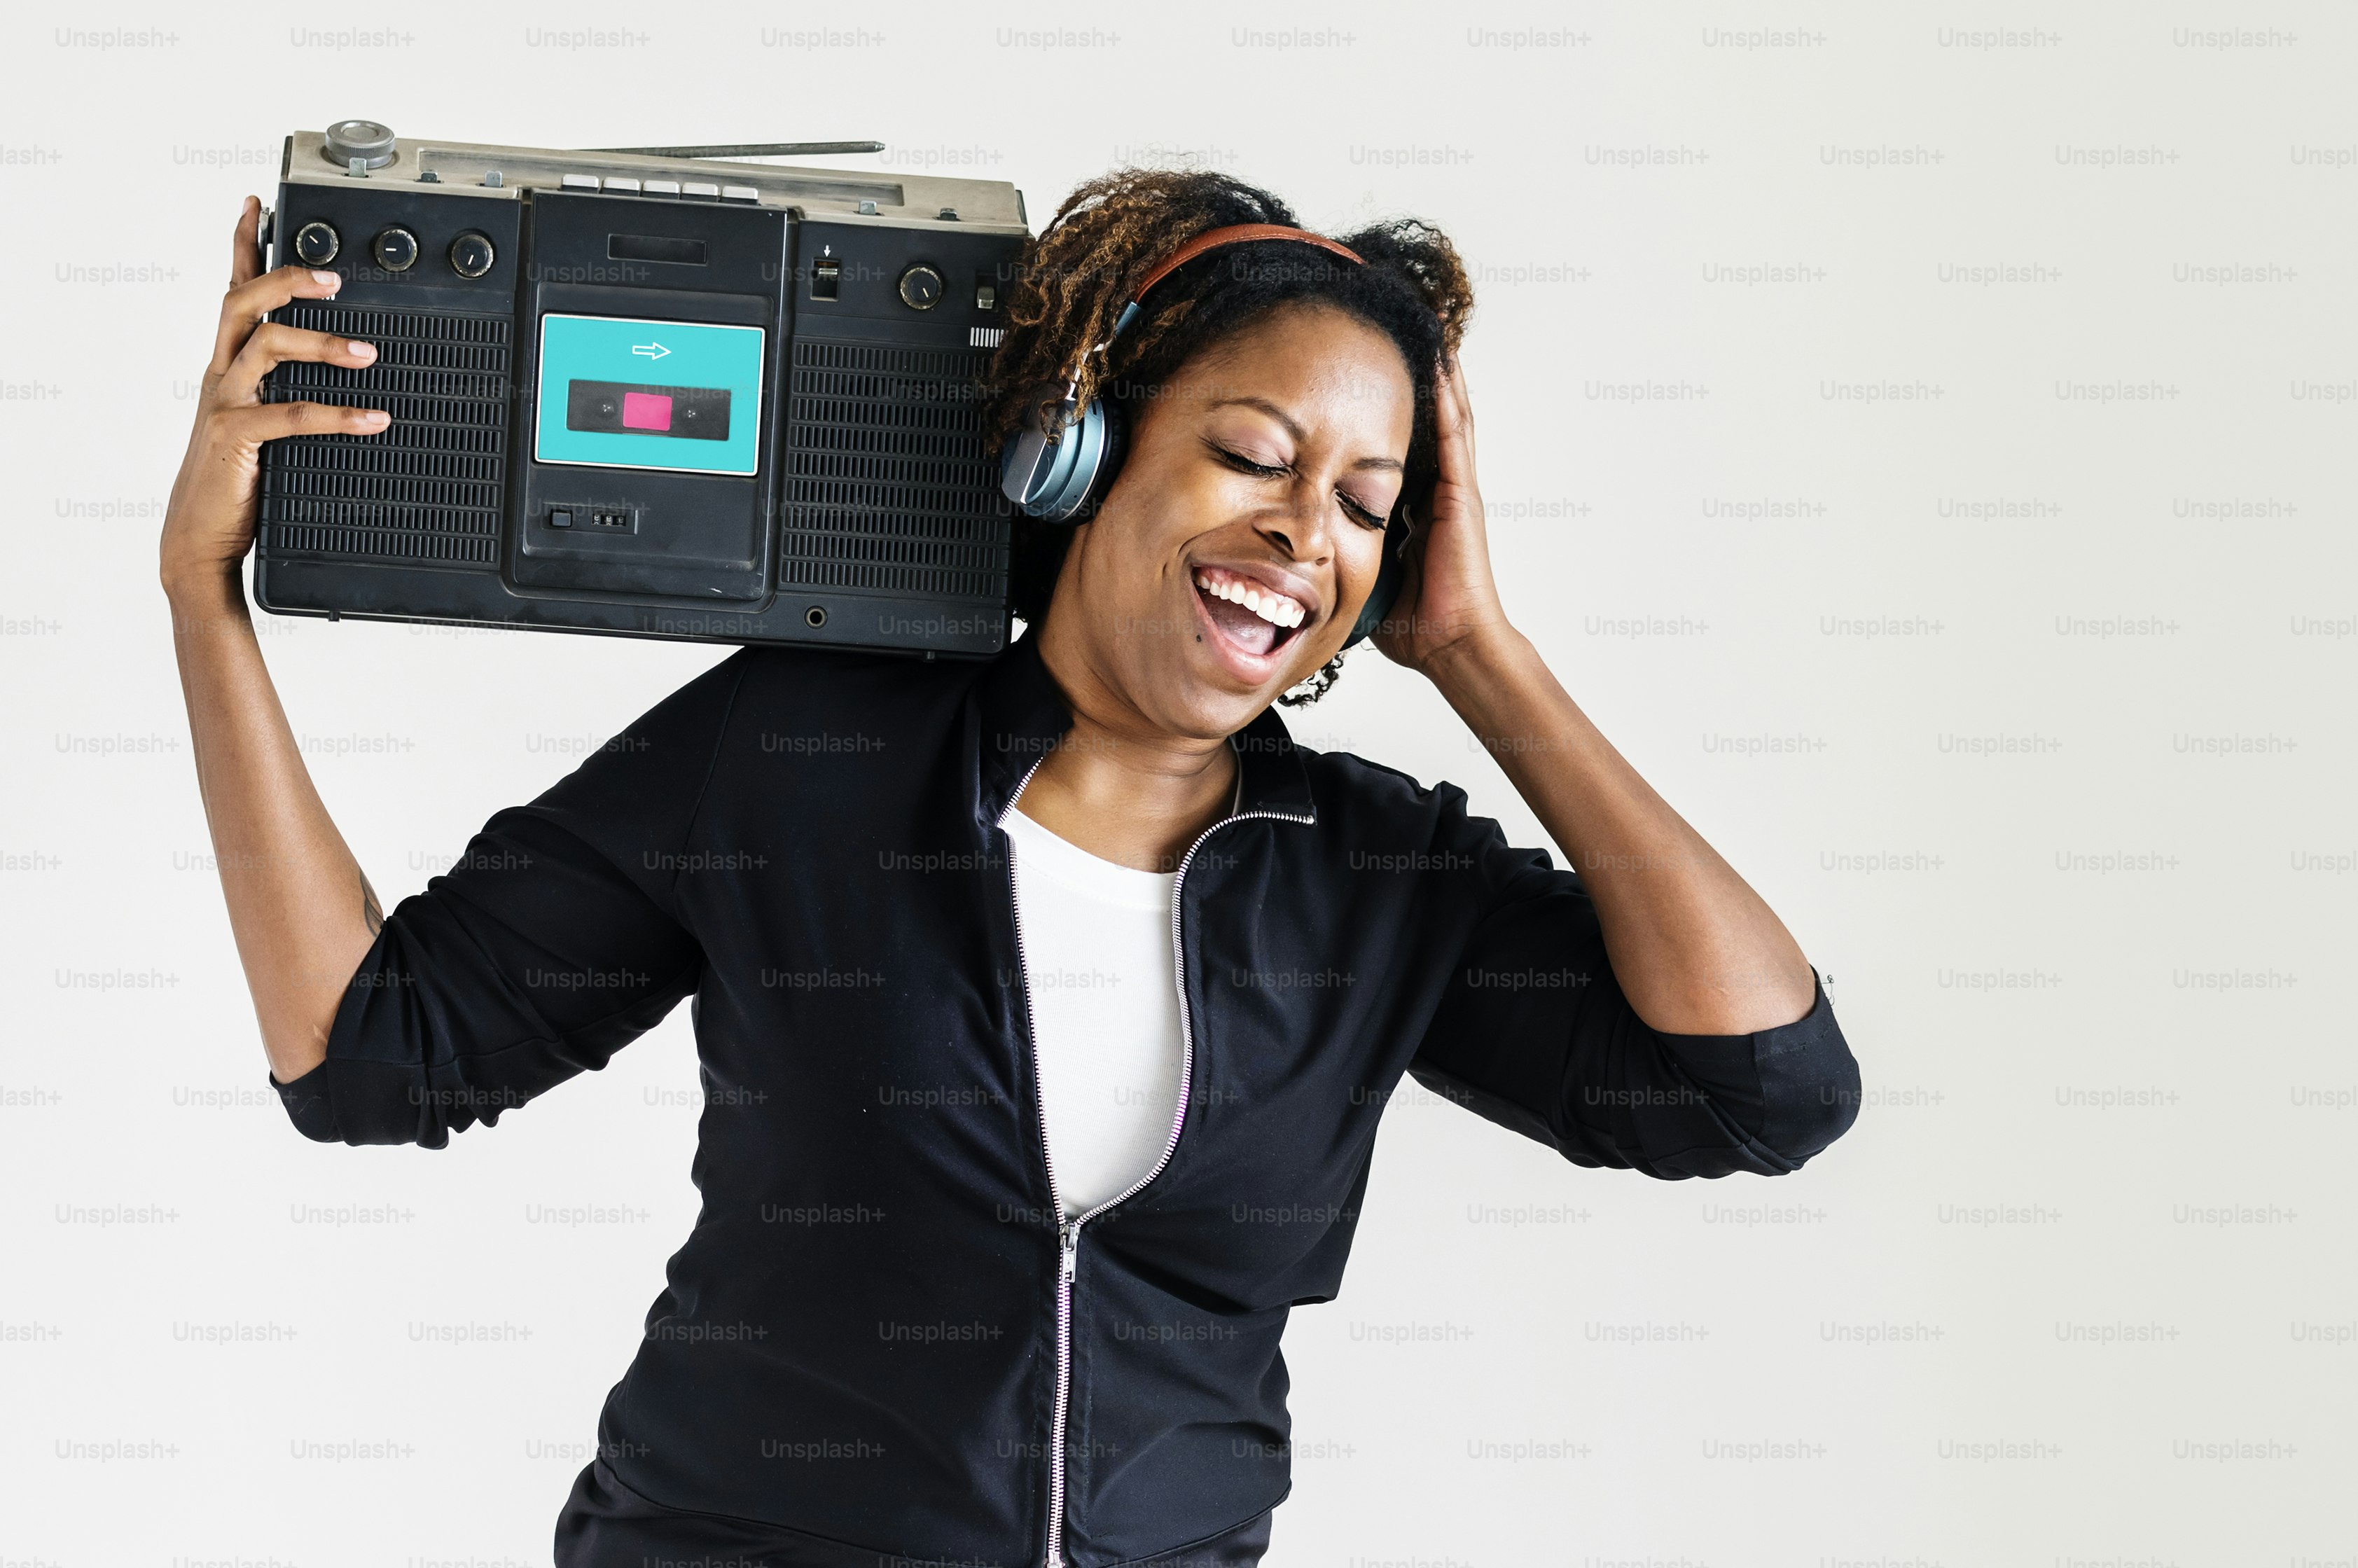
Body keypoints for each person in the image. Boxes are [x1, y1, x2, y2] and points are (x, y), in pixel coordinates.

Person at [160, 167, 1861, 1568]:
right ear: (1080, 443)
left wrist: (1482, 650)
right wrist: (205, 605)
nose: (1303, 533)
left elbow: (1761, 1087)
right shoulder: (800, 753)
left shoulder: (1373, 875)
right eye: (1255, 457)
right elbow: (371, 1058)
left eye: (1368, 500)